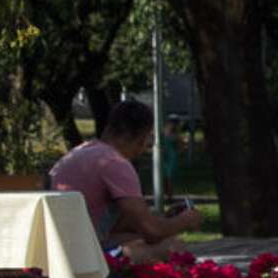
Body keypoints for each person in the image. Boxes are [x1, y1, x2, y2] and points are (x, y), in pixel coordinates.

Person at [50, 99, 200, 266]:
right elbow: (152, 232)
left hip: (60, 247)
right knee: (173, 246)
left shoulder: (81, 152)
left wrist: (163, 219)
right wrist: (186, 220)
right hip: (82, 257)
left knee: (137, 239)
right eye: (145, 140)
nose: (143, 148)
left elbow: (126, 223)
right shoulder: (115, 162)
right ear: (137, 137)